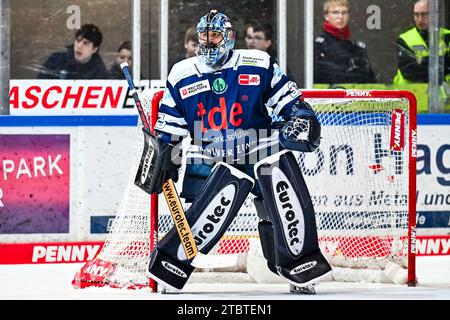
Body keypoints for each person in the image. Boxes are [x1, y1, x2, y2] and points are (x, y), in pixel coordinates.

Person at [139, 10, 332, 293]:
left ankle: (299, 263)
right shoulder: (181, 74)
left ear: (228, 38)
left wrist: (299, 117)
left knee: (282, 188)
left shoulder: (258, 63)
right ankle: (171, 264)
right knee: (210, 211)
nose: (207, 43)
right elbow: (170, 127)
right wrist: (163, 157)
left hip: (260, 149)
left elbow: (291, 101)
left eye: (214, 36)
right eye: (203, 36)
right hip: (214, 156)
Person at [314, 0, 376, 84]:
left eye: (344, 13)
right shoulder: (318, 45)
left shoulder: (356, 47)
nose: (340, 16)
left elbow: (370, 80)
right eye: (335, 12)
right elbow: (322, 75)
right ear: (326, 16)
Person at [393, 0, 450, 85]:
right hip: (411, 94)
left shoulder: (447, 36)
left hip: (443, 94)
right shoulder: (405, 39)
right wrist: (442, 62)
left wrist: (421, 61)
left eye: (424, 14)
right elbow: (409, 71)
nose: (420, 19)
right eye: (416, 15)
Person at [37, 23, 109, 80]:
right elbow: (40, 84)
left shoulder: (99, 73)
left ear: (94, 50)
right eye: (78, 40)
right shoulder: (55, 60)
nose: (79, 46)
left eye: (86, 43)